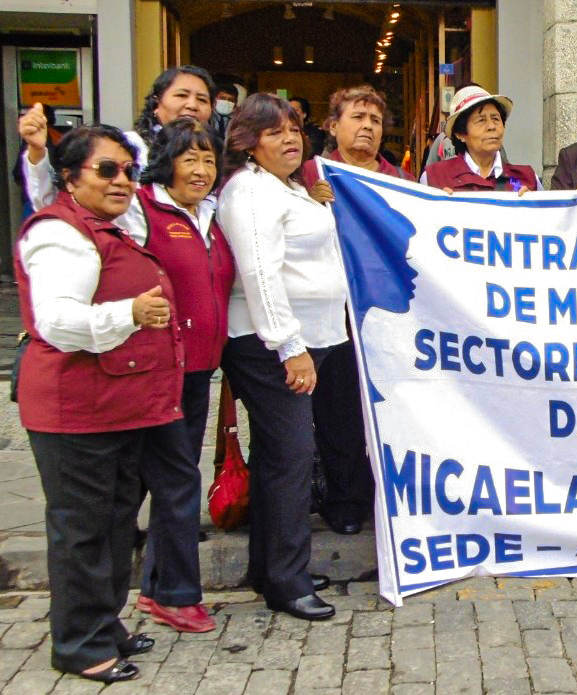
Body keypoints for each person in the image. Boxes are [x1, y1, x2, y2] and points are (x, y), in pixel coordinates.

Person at [16, 125, 184, 683]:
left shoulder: (107, 225)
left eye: (129, 171)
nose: (122, 181)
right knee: (82, 528)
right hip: (75, 410)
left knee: (114, 523)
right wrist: (128, 314)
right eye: (107, 170)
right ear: (70, 177)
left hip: (116, 402)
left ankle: (103, 624)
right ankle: (80, 643)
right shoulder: (58, 234)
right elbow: (56, 321)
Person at [216, 93, 345, 621]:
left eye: (294, 128)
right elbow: (260, 275)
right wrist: (290, 348)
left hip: (306, 338)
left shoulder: (286, 187)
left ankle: (271, 569)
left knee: (279, 456)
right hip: (268, 345)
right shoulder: (249, 192)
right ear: (250, 143)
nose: (290, 138)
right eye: (274, 132)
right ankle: (288, 581)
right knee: (292, 456)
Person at [112, 118, 233, 634]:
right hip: (159, 369)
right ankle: (177, 596)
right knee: (179, 480)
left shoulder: (212, 213)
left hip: (199, 370)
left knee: (169, 479)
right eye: (190, 159)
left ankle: (155, 587)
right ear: (167, 163)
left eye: (208, 159)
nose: (201, 170)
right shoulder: (142, 210)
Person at [301, 84, 406, 536]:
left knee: (389, 409)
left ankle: (390, 496)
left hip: (388, 316)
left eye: (375, 120)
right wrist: (308, 204)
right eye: (357, 118)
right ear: (332, 126)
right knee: (339, 411)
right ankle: (345, 500)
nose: (367, 127)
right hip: (334, 315)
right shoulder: (309, 175)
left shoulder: (399, 181)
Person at [18, 65, 216, 218]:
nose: (192, 105)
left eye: (202, 99)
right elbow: (52, 202)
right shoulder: (127, 147)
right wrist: (37, 150)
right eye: (181, 95)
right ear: (156, 104)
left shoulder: (213, 158)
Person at [422, 85, 540, 192]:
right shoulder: (434, 178)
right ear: (460, 134)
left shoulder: (527, 178)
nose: (491, 126)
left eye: (496, 119)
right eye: (481, 120)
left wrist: (533, 204)